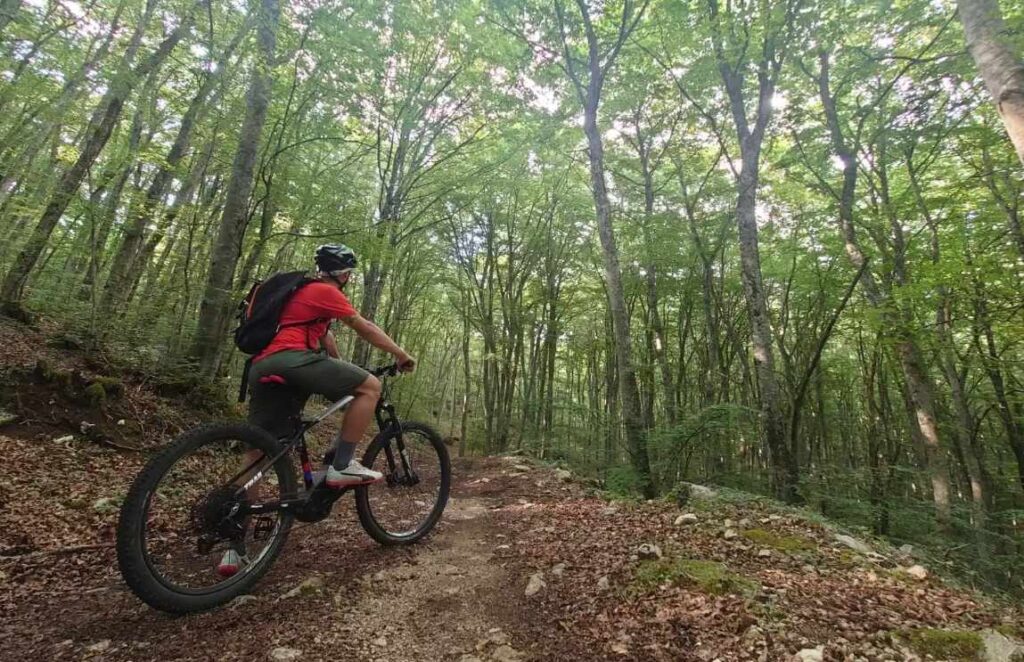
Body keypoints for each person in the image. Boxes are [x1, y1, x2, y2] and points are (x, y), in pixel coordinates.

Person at [219, 244, 415, 576]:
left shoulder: (299, 297)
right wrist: (401, 354)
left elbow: (328, 342)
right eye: (350, 274)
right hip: (292, 360)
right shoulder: (325, 291)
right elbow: (363, 326)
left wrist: (341, 371)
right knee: (370, 386)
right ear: (345, 274)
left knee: (259, 452)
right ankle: (341, 465)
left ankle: (233, 548)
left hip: (261, 366)